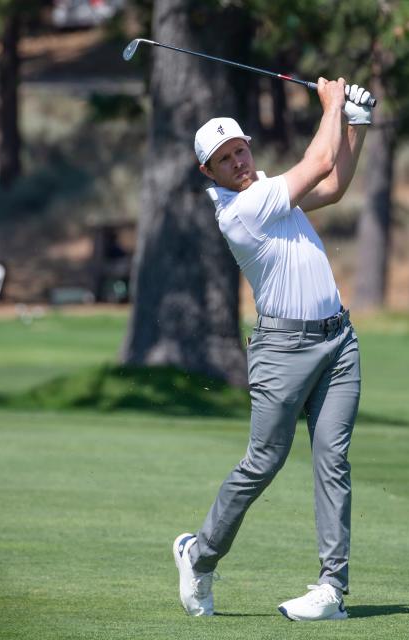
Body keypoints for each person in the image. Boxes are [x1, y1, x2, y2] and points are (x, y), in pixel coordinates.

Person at [172, 78, 373, 622]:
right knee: (265, 460)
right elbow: (319, 159)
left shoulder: (268, 190)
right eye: (224, 158)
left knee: (333, 460)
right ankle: (200, 553)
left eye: (240, 149)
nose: (238, 161)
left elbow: (332, 186)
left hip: (337, 342)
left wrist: (356, 123)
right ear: (207, 172)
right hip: (283, 351)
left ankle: (332, 589)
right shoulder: (243, 210)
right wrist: (333, 105)